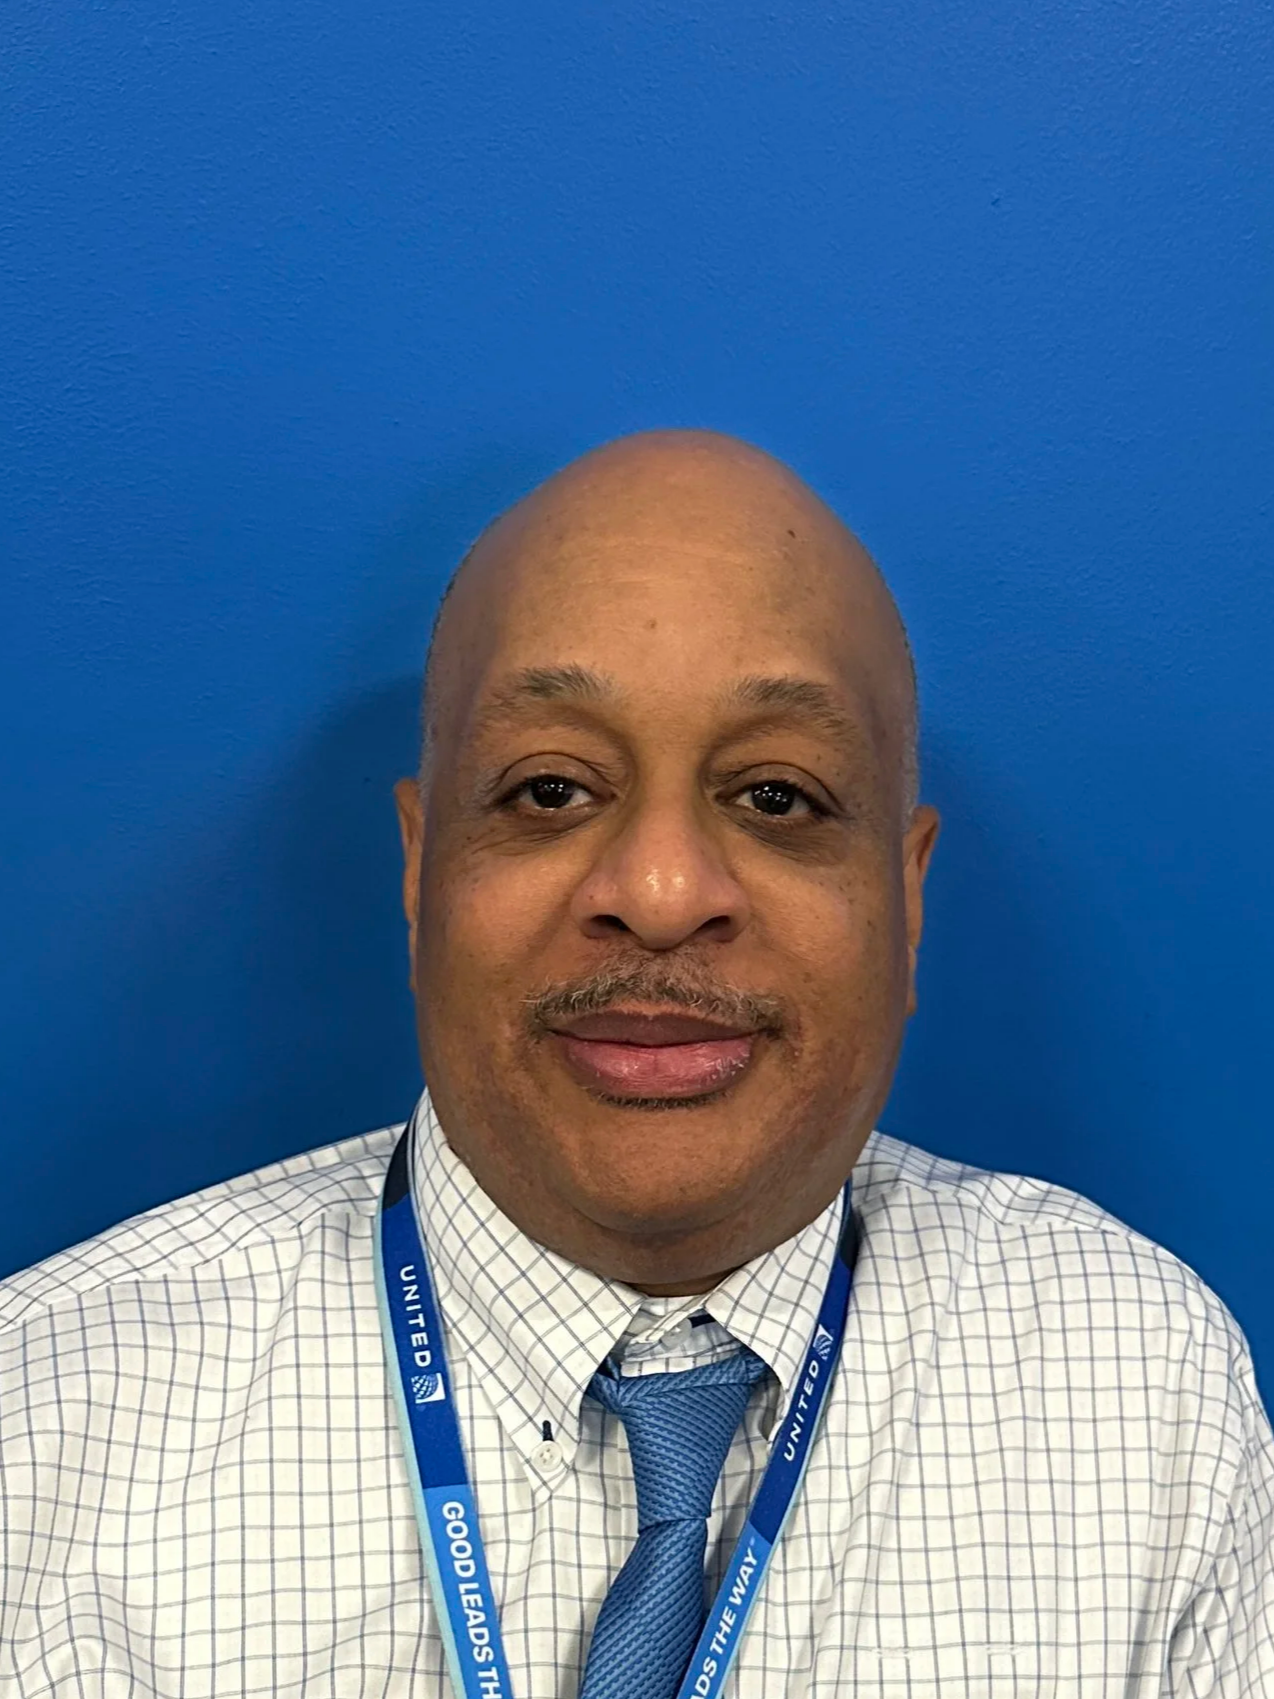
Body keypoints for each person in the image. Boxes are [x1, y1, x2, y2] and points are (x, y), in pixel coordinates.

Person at [0, 430, 1270, 1699]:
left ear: (905, 895)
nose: (660, 894)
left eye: (776, 797)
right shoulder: (44, 1426)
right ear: (416, 868)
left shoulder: (1142, 1387)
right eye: (550, 788)